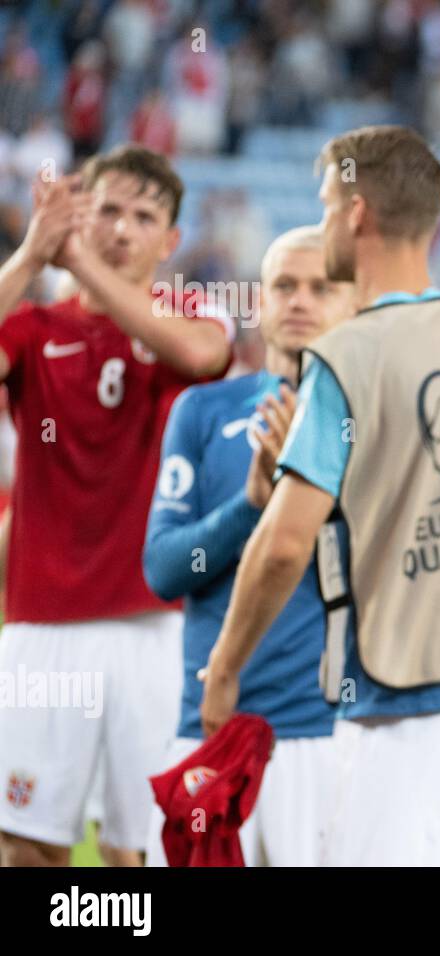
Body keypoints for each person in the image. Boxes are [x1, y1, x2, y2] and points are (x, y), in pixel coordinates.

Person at [199, 126, 440, 866]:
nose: (324, 218)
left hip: (398, 701)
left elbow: (286, 541)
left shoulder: (345, 354)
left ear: (356, 212)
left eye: (327, 203)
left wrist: (225, 667)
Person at [0, 145, 232, 867]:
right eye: (106, 210)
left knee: (147, 849)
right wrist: (31, 255)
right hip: (42, 626)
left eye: (144, 217)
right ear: (78, 215)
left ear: (169, 242)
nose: (122, 229)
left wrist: (78, 260)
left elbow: (200, 357)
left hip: (155, 629)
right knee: (26, 845)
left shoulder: (194, 312)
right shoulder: (34, 330)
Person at [141, 226, 353, 865]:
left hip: (328, 731)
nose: (300, 300)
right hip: (209, 723)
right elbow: (164, 569)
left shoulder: (366, 414)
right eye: (284, 285)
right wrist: (254, 506)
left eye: (321, 286)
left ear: (350, 301)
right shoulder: (203, 410)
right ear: (258, 302)